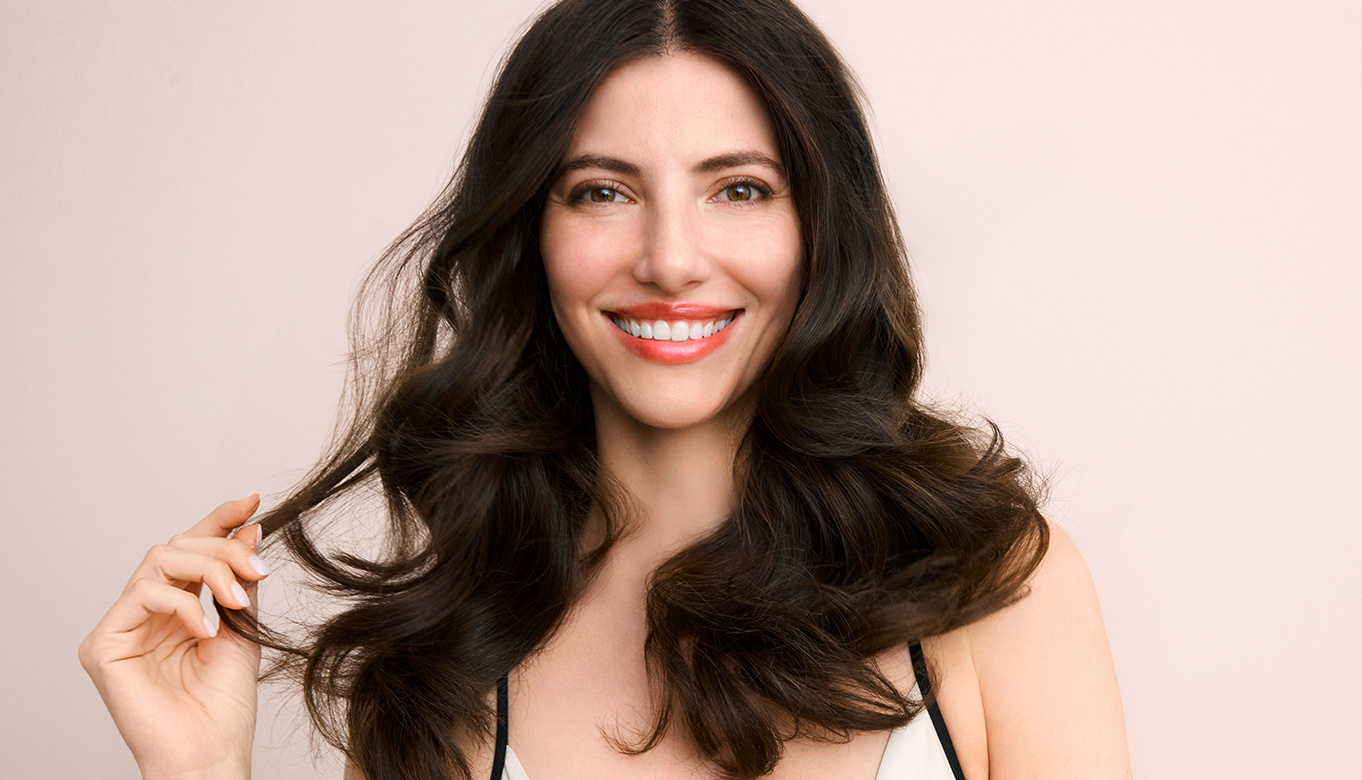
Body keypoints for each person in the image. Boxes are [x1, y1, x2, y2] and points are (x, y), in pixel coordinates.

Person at [79, 0, 1132, 778]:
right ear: (531, 237)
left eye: (739, 189)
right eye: (602, 191)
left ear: (820, 230)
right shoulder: (446, 660)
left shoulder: (1000, 591)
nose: (671, 258)